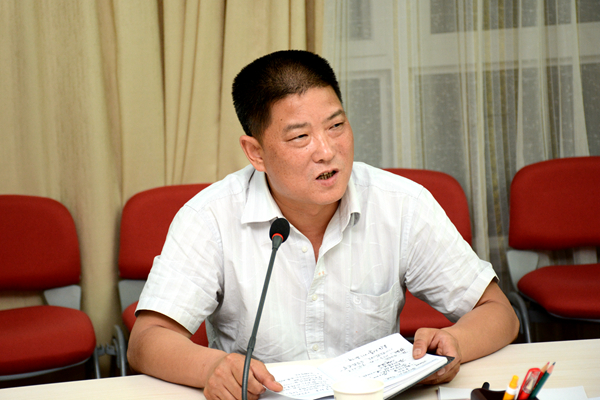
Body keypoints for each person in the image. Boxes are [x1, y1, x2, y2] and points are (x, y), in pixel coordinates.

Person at [127, 50, 519, 400]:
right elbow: (146, 340)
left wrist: (455, 342)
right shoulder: (209, 217)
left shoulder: (401, 204)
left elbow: (498, 312)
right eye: (300, 136)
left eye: (336, 126)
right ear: (256, 153)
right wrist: (212, 367)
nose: (327, 151)